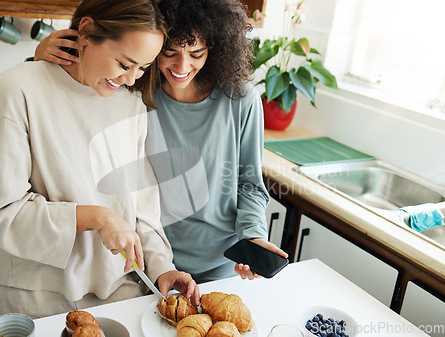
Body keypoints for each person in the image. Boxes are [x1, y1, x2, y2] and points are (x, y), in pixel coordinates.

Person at [0, 0, 198, 330]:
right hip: (33, 297)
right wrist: (97, 216)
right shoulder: (15, 91)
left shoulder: (131, 104)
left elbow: (143, 210)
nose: (130, 78)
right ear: (87, 31)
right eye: (124, 63)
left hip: (118, 292)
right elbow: (6, 213)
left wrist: (161, 267)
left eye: (142, 68)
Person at [35, 0, 288, 285]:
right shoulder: (132, 90)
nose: (182, 66)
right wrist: (42, 60)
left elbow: (249, 182)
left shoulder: (241, 100)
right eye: (170, 52)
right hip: (151, 258)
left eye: (196, 53)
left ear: (214, 48)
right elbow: (68, 104)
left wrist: (253, 235)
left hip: (222, 261)